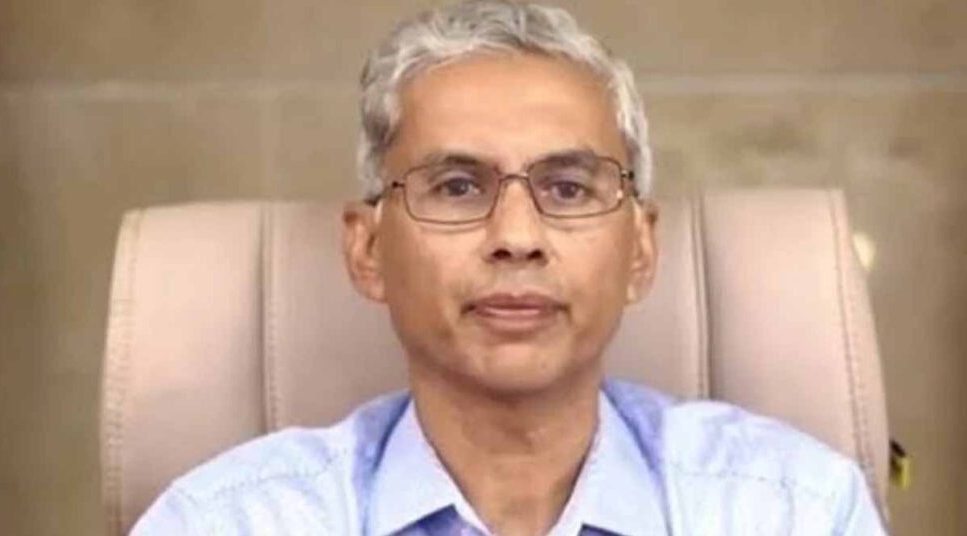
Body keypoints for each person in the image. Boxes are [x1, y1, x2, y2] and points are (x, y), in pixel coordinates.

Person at [130, 1, 886, 534]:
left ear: (641, 249)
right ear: (368, 251)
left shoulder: (794, 510)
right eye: (459, 187)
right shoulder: (224, 522)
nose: (517, 237)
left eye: (568, 188)